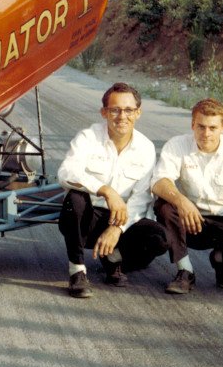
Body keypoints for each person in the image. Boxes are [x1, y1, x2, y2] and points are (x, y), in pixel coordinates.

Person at [57, 82, 168, 298]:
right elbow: (66, 172)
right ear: (104, 112)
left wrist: (117, 229)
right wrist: (105, 190)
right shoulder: (88, 138)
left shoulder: (145, 148)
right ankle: (77, 272)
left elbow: (142, 198)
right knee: (76, 198)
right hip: (88, 219)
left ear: (138, 113)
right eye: (115, 109)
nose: (121, 116)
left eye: (128, 110)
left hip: (123, 221)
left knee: (160, 238)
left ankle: (114, 258)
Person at [152, 98, 223, 293]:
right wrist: (181, 201)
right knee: (164, 206)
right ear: (193, 124)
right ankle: (185, 272)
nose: (206, 133)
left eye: (212, 128)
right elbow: (160, 181)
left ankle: (222, 262)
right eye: (201, 126)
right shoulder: (177, 145)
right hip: (193, 219)